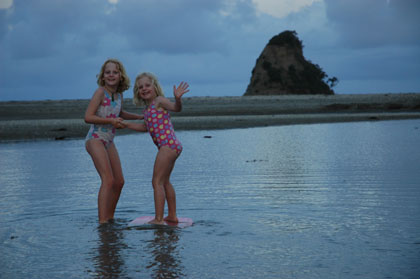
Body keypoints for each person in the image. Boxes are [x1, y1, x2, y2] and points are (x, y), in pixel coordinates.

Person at [124, 72, 189, 225]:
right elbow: (145, 127)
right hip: (172, 146)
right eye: (140, 87)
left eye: (147, 85)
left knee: (156, 182)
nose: (144, 89)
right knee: (165, 182)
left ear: (155, 87)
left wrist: (178, 99)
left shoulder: (159, 101)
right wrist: (126, 124)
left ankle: (159, 219)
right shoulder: (147, 111)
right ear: (137, 92)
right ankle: (172, 215)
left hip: (167, 146)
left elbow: (176, 108)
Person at [85, 58, 143, 223]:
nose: (111, 75)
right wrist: (111, 122)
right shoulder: (100, 92)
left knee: (119, 182)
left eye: (115, 72)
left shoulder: (118, 94)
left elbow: (120, 112)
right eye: (107, 72)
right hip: (95, 138)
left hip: (109, 141)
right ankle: (102, 222)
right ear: (103, 76)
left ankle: (110, 218)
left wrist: (139, 116)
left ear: (120, 76)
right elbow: (88, 117)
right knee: (108, 180)